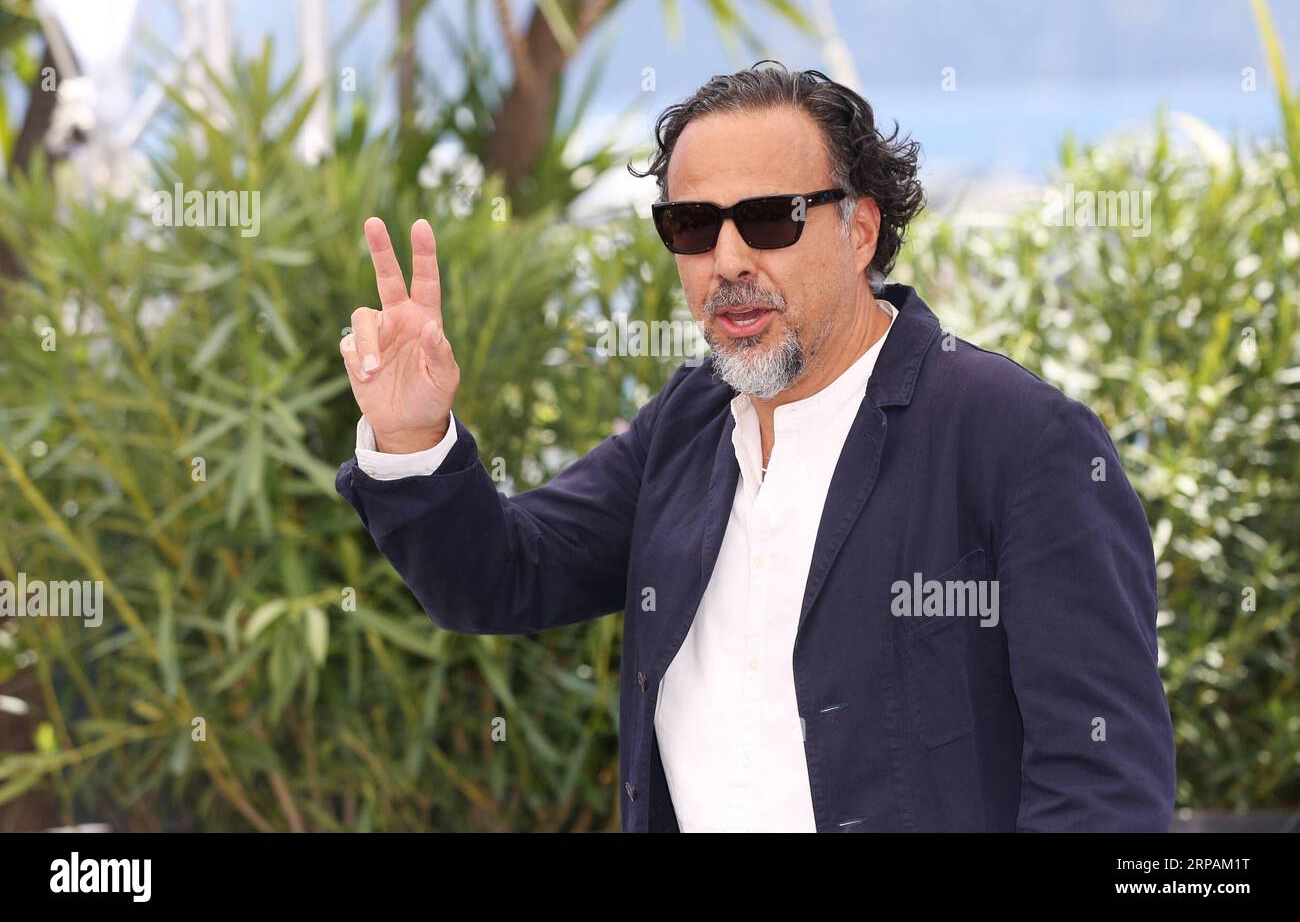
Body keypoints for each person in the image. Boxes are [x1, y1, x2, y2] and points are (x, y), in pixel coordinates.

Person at [335, 63, 1176, 832]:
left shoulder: (1018, 439)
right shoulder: (687, 425)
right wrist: (412, 434)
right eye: (694, 225)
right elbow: (505, 575)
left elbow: (1104, 790)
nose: (727, 259)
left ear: (859, 231)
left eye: (771, 218)